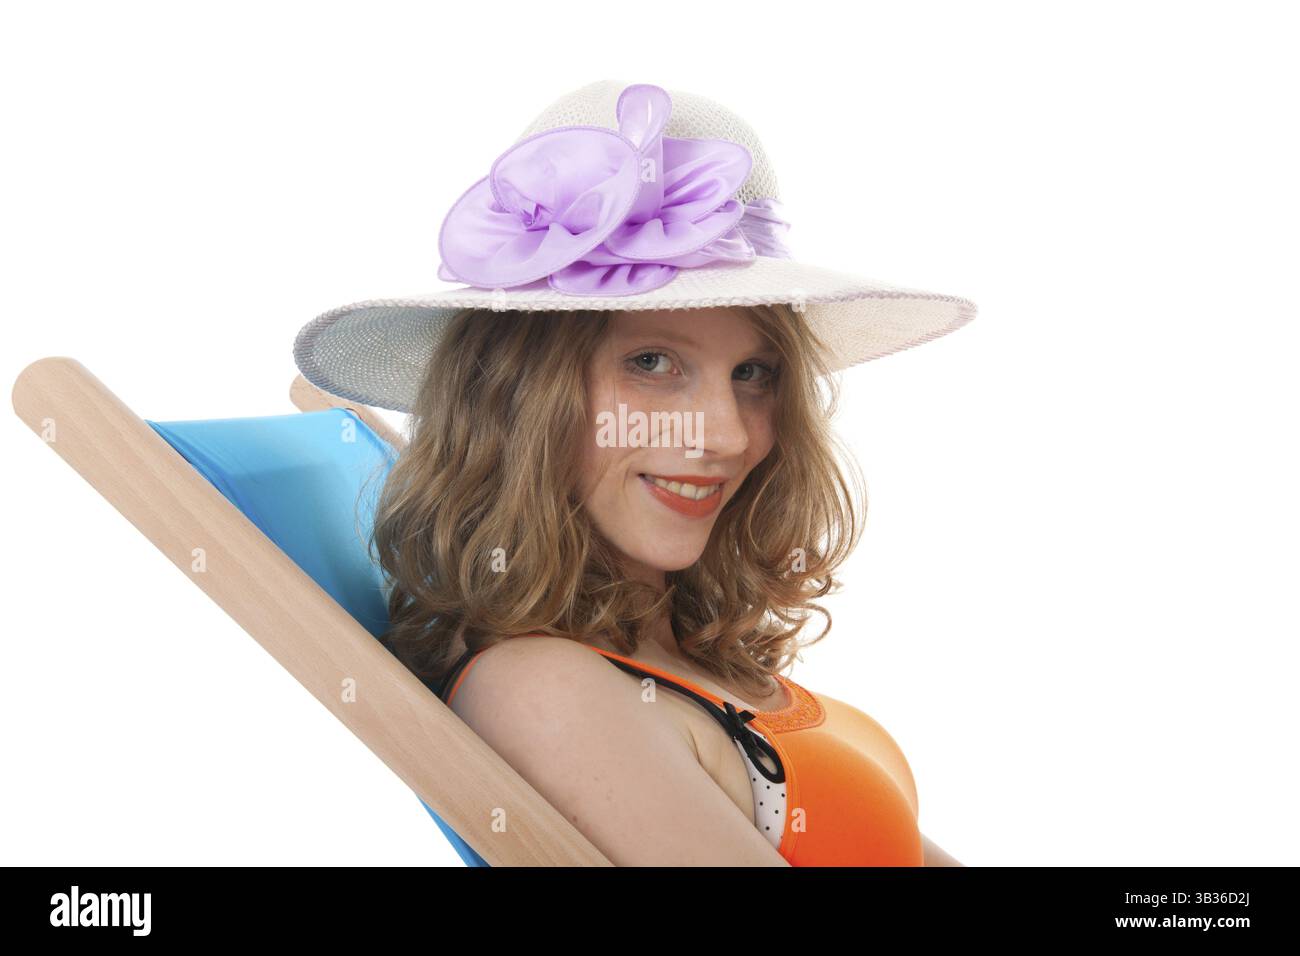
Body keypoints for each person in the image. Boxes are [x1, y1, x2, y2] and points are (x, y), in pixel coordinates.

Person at [292, 80, 976, 866]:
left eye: (753, 374)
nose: (727, 436)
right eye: (652, 362)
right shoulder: (543, 687)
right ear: (517, 396)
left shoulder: (682, 649)